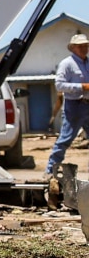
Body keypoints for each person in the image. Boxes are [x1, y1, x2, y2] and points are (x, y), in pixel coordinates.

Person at [45, 33, 89, 180]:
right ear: (73, 48)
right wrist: (81, 86)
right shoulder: (67, 64)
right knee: (65, 139)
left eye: (86, 45)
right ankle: (50, 171)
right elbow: (59, 85)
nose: (84, 48)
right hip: (75, 106)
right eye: (81, 46)